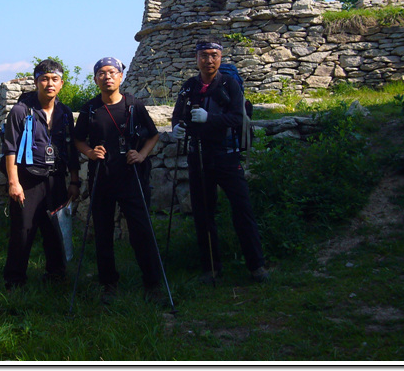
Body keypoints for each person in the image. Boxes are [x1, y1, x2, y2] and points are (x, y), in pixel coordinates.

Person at [171, 38, 269, 284]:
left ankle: (256, 265)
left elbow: (237, 118)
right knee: (203, 214)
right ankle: (211, 268)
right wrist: (177, 129)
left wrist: (209, 118)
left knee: (242, 209)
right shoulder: (189, 87)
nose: (209, 60)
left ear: (221, 57)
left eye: (214, 55)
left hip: (226, 155)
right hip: (199, 156)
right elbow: (177, 116)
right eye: (204, 55)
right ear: (197, 59)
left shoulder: (230, 85)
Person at [74, 57, 164, 304]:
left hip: (132, 177)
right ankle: (108, 283)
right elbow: (78, 139)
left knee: (141, 231)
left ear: (121, 76)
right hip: (101, 177)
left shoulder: (134, 106)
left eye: (112, 72)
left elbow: (153, 136)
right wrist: (90, 153)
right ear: (95, 79)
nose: (107, 77)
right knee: (102, 232)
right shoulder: (90, 109)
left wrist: (142, 154)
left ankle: (153, 282)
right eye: (101, 73)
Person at [2, 59, 81, 289]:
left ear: (62, 83)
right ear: (36, 82)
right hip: (27, 180)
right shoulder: (21, 111)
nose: (49, 83)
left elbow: (71, 148)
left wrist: (74, 181)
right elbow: (10, 148)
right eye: (44, 79)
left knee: (55, 229)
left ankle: (56, 275)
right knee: (23, 231)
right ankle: (15, 279)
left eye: (54, 79)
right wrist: (13, 182)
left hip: (56, 178)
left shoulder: (65, 113)